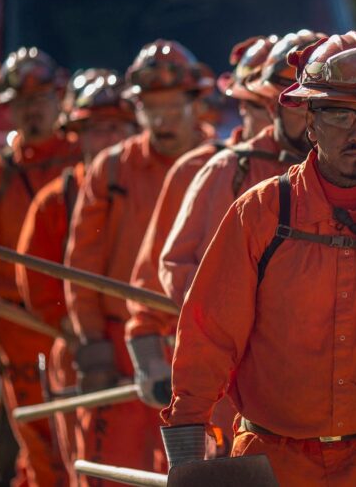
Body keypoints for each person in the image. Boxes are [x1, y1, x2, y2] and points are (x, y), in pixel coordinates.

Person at [159, 31, 356, 486]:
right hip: (273, 464)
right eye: (340, 115)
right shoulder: (261, 213)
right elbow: (208, 335)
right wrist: (187, 444)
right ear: (309, 122)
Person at [63, 39, 214, 480]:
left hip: (199, 350)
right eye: (152, 109)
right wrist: (92, 344)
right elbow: (81, 266)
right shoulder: (111, 171)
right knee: (110, 471)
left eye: (173, 108)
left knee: (189, 474)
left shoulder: (227, 166)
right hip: (120, 347)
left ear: (195, 104)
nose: (162, 121)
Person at [122, 35, 278, 446]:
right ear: (241, 106)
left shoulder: (327, 183)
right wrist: (149, 359)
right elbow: (155, 274)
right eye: (265, 108)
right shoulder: (202, 170)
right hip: (211, 379)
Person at [0, 47, 79, 486]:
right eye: (21, 103)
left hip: (74, 325)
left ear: (58, 99)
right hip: (17, 328)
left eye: (40, 99)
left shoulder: (83, 162)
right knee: (38, 441)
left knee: (74, 442)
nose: (32, 111)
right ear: (8, 111)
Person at [15, 70, 138, 486]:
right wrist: (75, 330)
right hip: (81, 352)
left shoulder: (154, 188)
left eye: (116, 128)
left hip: (143, 349)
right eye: (97, 130)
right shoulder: (56, 200)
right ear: (79, 136)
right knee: (86, 467)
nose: (108, 140)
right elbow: (35, 277)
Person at [158, 30, 325, 306]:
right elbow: (175, 267)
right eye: (300, 108)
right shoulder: (226, 171)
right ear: (274, 106)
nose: (314, 123)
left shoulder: (352, 181)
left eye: (327, 109)